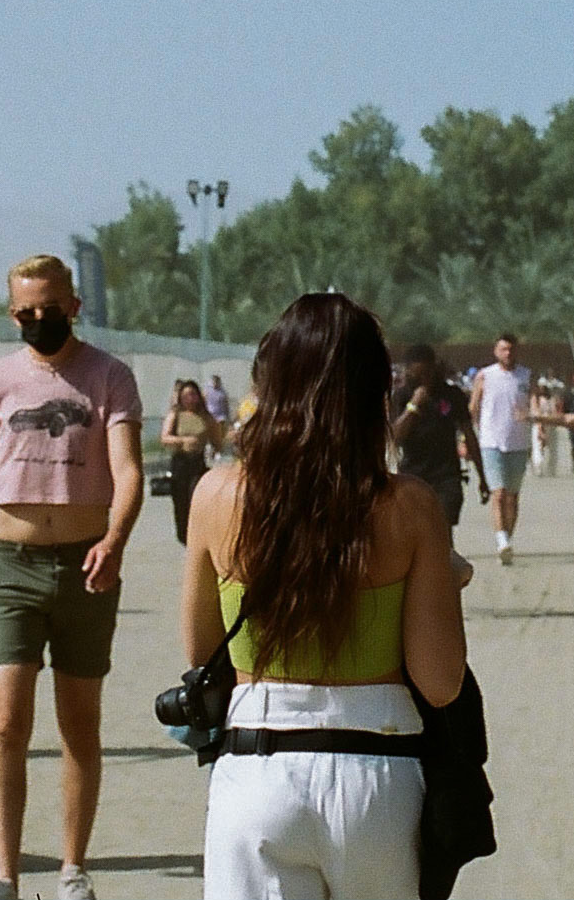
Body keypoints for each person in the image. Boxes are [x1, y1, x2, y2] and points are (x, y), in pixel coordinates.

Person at [182, 293, 467, 900]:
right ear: (372, 393)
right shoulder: (412, 508)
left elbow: (204, 655)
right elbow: (440, 682)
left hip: (255, 768)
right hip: (377, 776)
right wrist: (446, 581)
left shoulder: (214, 498)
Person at [0, 254, 145, 900]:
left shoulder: (109, 375)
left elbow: (128, 470)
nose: (36, 320)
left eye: (48, 309)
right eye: (24, 311)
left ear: (74, 306)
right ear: (11, 312)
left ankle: (72, 867)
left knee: (79, 723)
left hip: (85, 564)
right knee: (5, 724)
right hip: (8, 564)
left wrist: (115, 539)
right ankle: (4, 873)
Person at [388, 343, 483, 533]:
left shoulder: (452, 395)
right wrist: (413, 406)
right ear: (409, 373)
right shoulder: (401, 396)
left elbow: (469, 434)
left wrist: (483, 476)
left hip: (447, 476)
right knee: (414, 531)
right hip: (412, 475)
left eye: (428, 373)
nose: (425, 379)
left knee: (441, 528)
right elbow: (395, 437)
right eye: (418, 375)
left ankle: (444, 561)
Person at [467, 334, 534, 563]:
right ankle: (501, 539)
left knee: (513, 497)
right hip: (491, 442)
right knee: (499, 494)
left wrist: (536, 424)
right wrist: (467, 437)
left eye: (511, 349)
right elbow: (473, 408)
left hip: (518, 443)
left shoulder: (526, 375)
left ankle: (508, 539)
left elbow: (532, 403)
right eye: (503, 349)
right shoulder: (485, 376)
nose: (508, 353)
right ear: (496, 351)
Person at [159, 380, 223, 545]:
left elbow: (217, 440)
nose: (190, 398)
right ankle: (183, 535)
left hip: (198, 462)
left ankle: (198, 536)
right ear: (180, 397)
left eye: (193, 394)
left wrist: (217, 447)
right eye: (186, 395)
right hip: (180, 462)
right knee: (181, 501)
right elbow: (165, 438)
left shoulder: (205, 416)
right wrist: (182, 441)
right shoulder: (176, 414)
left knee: (196, 498)